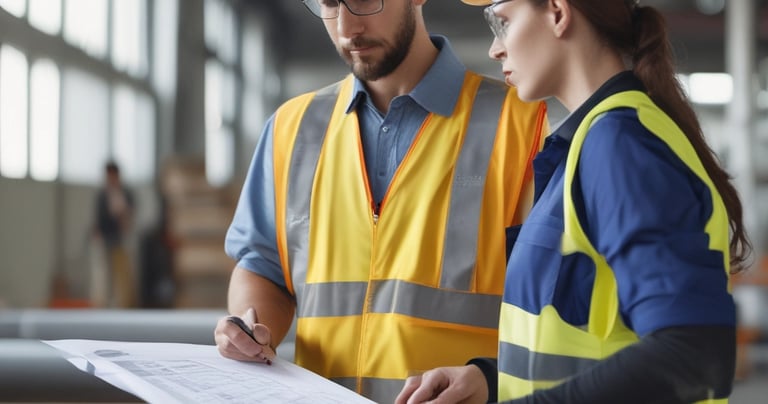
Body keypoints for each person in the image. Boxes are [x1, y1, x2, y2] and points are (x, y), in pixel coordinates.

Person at [396, 1, 753, 403]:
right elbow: (593, 339)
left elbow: (692, 353)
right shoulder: (586, 146)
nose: (496, 49)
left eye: (504, 22)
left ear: (558, 12)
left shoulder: (620, 144)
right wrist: (490, 381)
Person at [213, 0, 549, 402]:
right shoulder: (291, 129)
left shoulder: (525, 126)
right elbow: (263, 265)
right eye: (330, 3)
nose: (347, 27)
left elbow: (554, 308)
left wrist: (492, 379)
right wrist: (251, 330)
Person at [93, 160, 137, 308]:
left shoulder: (125, 193)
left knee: (122, 274)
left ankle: (122, 304)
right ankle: (102, 303)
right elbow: (98, 217)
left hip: (120, 239)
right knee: (103, 274)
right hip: (106, 238)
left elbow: (130, 214)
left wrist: (125, 217)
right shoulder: (102, 195)